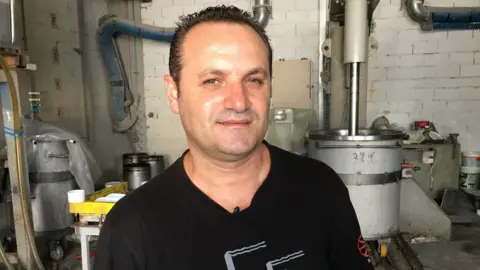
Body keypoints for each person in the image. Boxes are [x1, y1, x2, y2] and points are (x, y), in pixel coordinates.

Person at [94, 5, 374, 270]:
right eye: (212, 81)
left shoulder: (322, 189)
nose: (239, 102)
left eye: (253, 80)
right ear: (174, 94)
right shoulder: (132, 227)